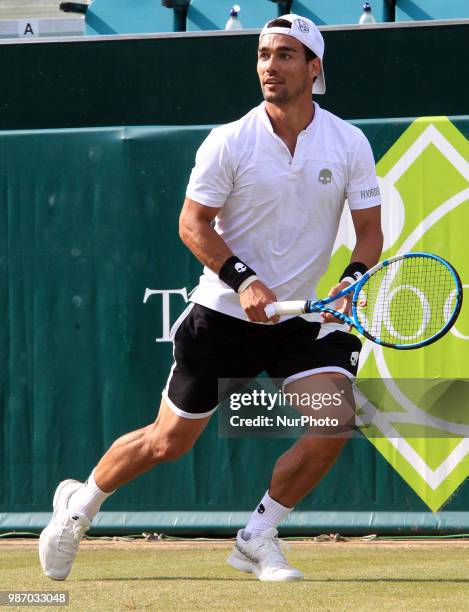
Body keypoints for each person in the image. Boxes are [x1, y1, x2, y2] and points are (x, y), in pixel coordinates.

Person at [39, 14, 383, 582]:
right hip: (223, 316)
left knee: (335, 420)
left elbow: (368, 232)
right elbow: (193, 224)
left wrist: (351, 282)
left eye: (286, 55)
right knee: (166, 443)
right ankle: (78, 506)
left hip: (300, 320)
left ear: (314, 68)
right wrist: (244, 279)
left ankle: (257, 536)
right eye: (264, 55)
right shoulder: (230, 140)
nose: (270, 65)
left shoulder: (347, 141)